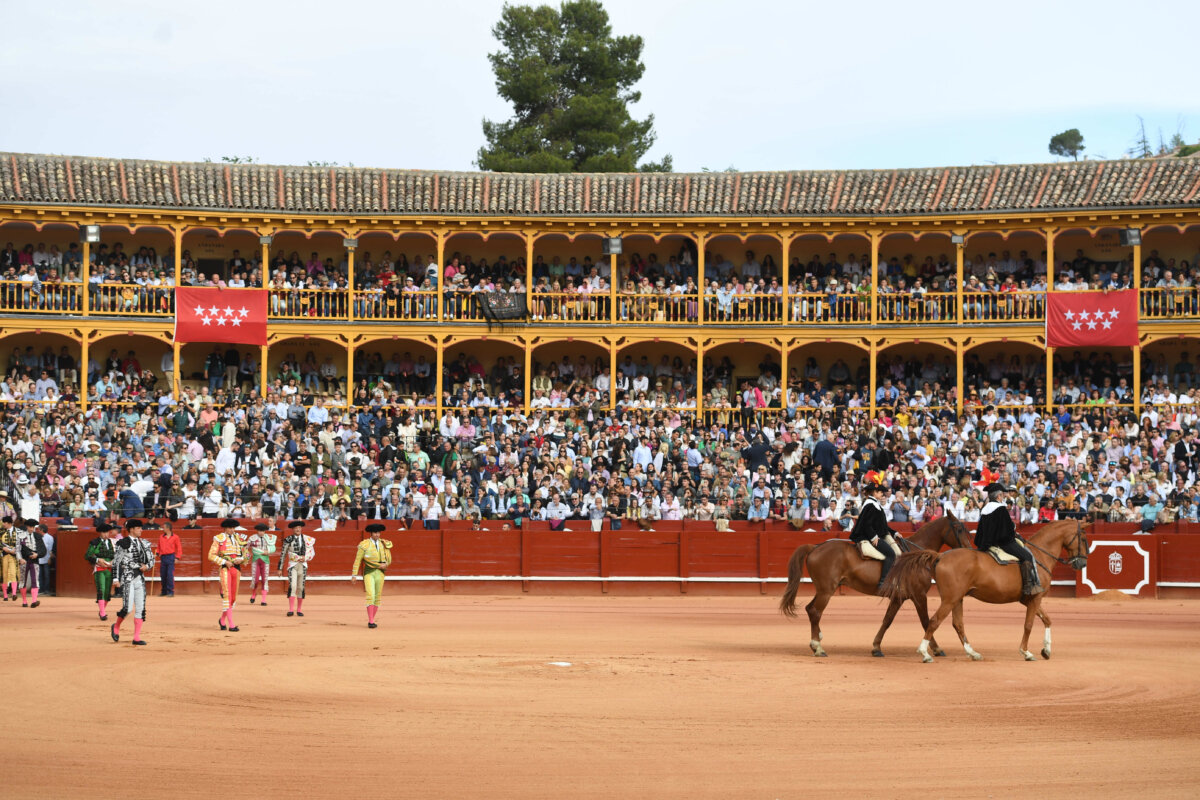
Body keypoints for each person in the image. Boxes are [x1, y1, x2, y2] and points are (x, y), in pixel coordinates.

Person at [975, 482, 1042, 595]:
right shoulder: (1000, 509)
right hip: (1003, 543)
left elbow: (981, 530)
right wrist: (1013, 529)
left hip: (986, 543)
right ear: (998, 496)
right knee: (1027, 556)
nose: (1004, 497)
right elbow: (1007, 530)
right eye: (1003, 495)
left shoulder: (985, 509)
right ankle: (1028, 586)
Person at [848, 482, 900, 591]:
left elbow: (882, 525)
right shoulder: (870, 505)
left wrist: (894, 533)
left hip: (875, 535)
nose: (882, 494)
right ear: (874, 492)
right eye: (880, 492)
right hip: (868, 536)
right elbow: (867, 524)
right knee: (891, 554)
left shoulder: (874, 504)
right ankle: (883, 583)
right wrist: (873, 537)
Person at [109, 518, 152, 646]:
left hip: (140, 578)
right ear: (132, 529)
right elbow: (116, 562)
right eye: (138, 528)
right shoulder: (123, 543)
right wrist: (115, 579)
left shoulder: (145, 543)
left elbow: (151, 560)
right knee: (127, 608)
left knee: (140, 608)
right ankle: (116, 626)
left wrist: (147, 566)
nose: (141, 530)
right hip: (127, 578)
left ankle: (136, 637)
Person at [208, 518, 249, 631]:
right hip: (225, 569)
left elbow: (246, 555)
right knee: (227, 595)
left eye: (233, 528)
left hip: (236, 569)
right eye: (230, 528)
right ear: (225, 528)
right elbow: (211, 555)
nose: (232, 530)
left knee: (233, 598)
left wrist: (240, 559)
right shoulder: (219, 539)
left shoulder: (239, 539)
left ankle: (222, 620)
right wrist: (224, 562)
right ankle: (231, 624)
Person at [350, 523, 391, 628]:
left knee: (377, 597)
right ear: (371, 533)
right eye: (375, 533)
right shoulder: (364, 544)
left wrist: (386, 564)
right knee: (370, 595)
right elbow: (357, 560)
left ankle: (371, 619)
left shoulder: (384, 544)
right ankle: (371, 621)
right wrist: (354, 574)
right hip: (369, 572)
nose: (377, 535)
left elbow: (389, 559)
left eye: (378, 532)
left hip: (380, 573)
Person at [278, 519, 316, 617]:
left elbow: (312, 553)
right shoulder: (288, 539)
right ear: (293, 529)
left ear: (301, 528)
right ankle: (291, 609)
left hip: (303, 566)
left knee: (301, 587)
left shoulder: (307, 539)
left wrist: (306, 557)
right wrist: (280, 568)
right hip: (292, 565)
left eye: (299, 528)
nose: (298, 529)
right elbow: (283, 554)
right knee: (293, 586)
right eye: (296, 528)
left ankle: (299, 610)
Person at [85, 521, 118, 619]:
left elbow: (117, 555)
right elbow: (87, 556)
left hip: (109, 569)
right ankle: (103, 613)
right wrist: (97, 559)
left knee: (107, 592)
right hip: (99, 569)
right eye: (104, 532)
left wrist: (114, 561)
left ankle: (101, 610)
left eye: (107, 532)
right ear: (100, 533)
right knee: (101, 590)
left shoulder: (112, 542)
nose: (106, 534)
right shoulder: (94, 543)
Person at [16, 518, 45, 607]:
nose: (32, 529)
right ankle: (24, 601)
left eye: (33, 527)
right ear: (27, 526)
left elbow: (43, 549)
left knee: (35, 581)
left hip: (34, 561)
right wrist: (20, 559)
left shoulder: (38, 536)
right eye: (30, 527)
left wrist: (37, 554)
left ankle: (34, 601)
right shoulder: (20, 536)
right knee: (22, 581)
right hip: (24, 561)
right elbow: (17, 550)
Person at [246, 523, 277, 605]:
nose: (261, 532)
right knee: (255, 580)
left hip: (265, 561)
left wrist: (268, 551)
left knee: (264, 580)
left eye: (263, 531)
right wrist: (246, 556)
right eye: (260, 531)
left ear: (265, 531)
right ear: (257, 530)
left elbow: (272, 548)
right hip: (256, 561)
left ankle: (263, 600)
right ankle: (254, 593)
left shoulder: (269, 538)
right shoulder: (252, 538)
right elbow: (245, 547)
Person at [157, 521, 182, 597]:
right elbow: (158, 546)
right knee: (163, 575)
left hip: (171, 557)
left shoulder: (175, 537)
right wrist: (158, 553)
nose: (162, 529)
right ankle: (164, 591)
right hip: (163, 557)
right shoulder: (161, 537)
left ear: (168, 528)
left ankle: (170, 591)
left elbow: (179, 548)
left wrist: (177, 557)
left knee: (169, 575)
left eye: (164, 527)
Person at [1, 516, 19, 601]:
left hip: (14, 556)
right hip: (4, 555)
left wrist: (15, 549)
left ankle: (14, 593)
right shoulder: (1, 531)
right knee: (4, 574)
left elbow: (21, 542)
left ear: (9, 523)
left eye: (5, 523)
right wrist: (2, 548)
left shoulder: (18, 531)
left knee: (13, 573)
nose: (3, 524)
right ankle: (5, 595)